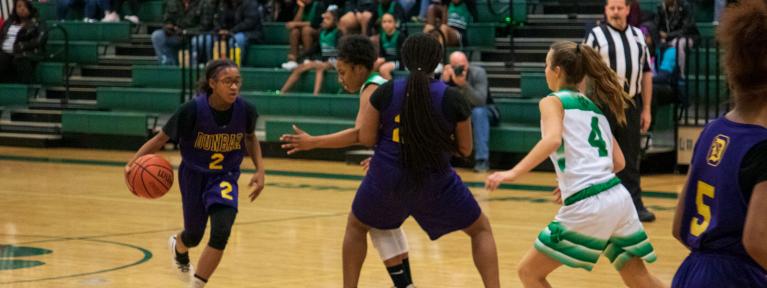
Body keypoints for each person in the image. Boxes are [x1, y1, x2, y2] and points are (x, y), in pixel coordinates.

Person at [284, 33, 500, 288]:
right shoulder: (452, 97)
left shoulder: (385, 92)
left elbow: (365, 137)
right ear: (437, 61)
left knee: (356, 227)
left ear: (404, 61)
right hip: (434, 180)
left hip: (387, 176)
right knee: (480, 230)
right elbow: (464, 149)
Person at [486, 41, 663, 288]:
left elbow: (552, 139)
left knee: (529, 273)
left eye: (546, 64)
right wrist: (578, 179)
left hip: (589, 204)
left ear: (557, 70)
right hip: (618, 198)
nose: (545, 70)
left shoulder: (552, 101)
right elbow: (619, 162)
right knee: (640, 278)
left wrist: (513, 172)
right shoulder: (594, 109)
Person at [280, 34, 415, 288]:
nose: (340, 79)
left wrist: (314, 142)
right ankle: (406, 285)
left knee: (358, 223)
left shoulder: (372, 88)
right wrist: (383, 155)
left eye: (343, 72)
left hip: (395, 167)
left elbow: (361, 135)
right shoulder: (385, 83)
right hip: (403, 164)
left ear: (359, 68)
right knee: (384, 225)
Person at [124, 60, 265, 288]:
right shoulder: (191, 110)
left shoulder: (246, 110)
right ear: (212, 83)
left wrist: (260, 169)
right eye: (228, 82)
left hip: (225, 177)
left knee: (221, 231)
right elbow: (160, 139)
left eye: (237, 82)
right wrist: (132, 163)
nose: (234, 87)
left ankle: (197, 285)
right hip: (194, 175)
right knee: (194, 235)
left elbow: (250, 137)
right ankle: (179, 246)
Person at [671, 0, 767, 286]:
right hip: (738, 278)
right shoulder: (762, 147)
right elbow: (757, 241)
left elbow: (679, 228)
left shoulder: (712, 131)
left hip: (692, 272)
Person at [584, 0, 655, 222]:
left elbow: (646, 73)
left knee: (630, 158)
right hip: (603, 105)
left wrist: (646, 109)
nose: (615, 12)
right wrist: (586, 107)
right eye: (611, 8)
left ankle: (634, 205)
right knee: (600, 157)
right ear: (605, 10)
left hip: (631, 104)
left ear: (627, 10)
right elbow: (584, 73)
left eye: (619, 8)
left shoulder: (637, 36)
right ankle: (597, 206)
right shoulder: (595, 36)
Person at [441, 51, 490, 172]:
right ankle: (441, 159)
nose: (462, 68)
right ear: (450, 66)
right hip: (459, 113)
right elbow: (440, 100)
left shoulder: (478, 73)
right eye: (457, 66)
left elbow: (480, 101)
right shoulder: (447, 75)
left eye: (464, 64)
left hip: (484, 110)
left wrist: (464, 85)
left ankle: (482, 160)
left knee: (479, 112)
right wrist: (443, 82)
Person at [280, 9, 340, 95]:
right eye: (324, 19)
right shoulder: (321, 32)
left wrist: (329, 60)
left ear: (335, 21)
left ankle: (315, 95)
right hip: (324, 60)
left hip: (336, 60)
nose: (324, 21)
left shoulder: (338, 33)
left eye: (328, 19)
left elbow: (341, 50)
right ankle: (281, 92)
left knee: (320, 67)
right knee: (300, 67)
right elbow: (315, 49)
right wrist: (301, 57)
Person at [151, 0, 215, 66]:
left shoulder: (204, 3)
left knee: (199, 41)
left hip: (195, 36)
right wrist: (168, 26)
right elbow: (167, 19)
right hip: (177, 35)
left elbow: (205, 26)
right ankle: (167, 65)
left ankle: (194, 66)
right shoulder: (172, 2)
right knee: (157, 36)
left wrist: (185, 32)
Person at [0, 0, 43, 84]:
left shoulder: (37, 23)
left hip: (24, 52)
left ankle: (23, 90)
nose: (22, 9)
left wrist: (22, 46)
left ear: (30, 8)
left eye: (25, 6)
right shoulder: (9, 22)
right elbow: (2, 36)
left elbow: (39, 40)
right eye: (19, 6)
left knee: (20, 60)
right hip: (5, 51)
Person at [655, 0, 698, 79]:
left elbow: (687, 29)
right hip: (669, 38)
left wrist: (668, 36)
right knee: (665, 44)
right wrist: (661, 36)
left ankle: (680, 73)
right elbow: (656, 26)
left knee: (678, 43)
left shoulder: (685, 6)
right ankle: (662, 72)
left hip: (688, 37)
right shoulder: (661, 8)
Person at [280, 0, 324, 70]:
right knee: (294, 31)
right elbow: (295, 22)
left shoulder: (318, 4)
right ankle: (293, 60)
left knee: (306, 30)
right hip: (303, 31)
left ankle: (308, 57)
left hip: (318, 31)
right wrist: (301, 8)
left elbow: (315, 23)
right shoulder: (299, 5)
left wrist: (296, 24)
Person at [372, 13, 404, 80]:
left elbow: (401, 56)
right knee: (373, 65)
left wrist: (384, 59)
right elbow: (381, 54)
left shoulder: (400, 36)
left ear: (395, 23)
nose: (386, 24)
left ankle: (390, 89)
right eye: (384, 22)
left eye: (389, 21)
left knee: (383, 69)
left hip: (399, 62)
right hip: (388, 60)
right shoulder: (382, 36)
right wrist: (379, 60)